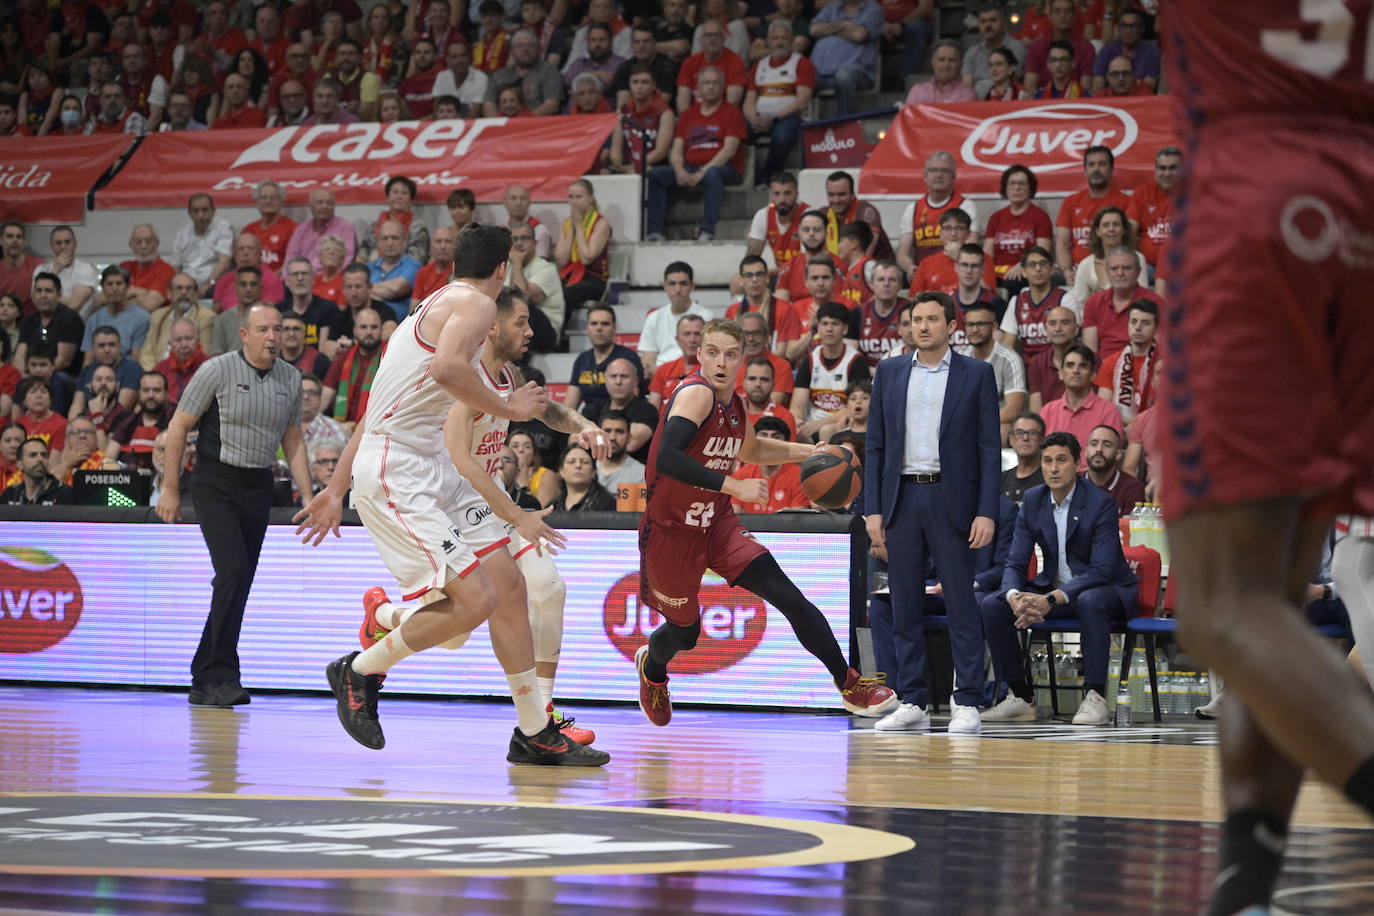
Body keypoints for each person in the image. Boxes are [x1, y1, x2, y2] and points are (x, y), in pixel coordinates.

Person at [293, 225, 610, 766]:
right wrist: (510, 413)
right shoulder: (475, 306)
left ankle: (534, 729)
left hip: (425, 468)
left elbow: (379, 406)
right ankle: (361, 669)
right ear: (503, 269)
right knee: (474, 605)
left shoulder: (432, 308)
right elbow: (446, 372)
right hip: (403, 470)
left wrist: (336, 484)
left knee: (511, 589)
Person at [633, 316, 896, 726]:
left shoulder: (735, 406)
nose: (722, 362)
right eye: (713, 352)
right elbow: (667, 456)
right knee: (686, 634)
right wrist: (733, 487)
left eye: (731, 354)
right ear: (699, 354)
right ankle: (653, 668)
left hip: (716, 524)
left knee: (787, 595)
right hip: (670, 531)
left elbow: (753, 450)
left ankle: (849, 683)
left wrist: (807, 453)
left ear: (742, 360)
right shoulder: (696, 395)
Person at [156, 304, 312, 707]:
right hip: (215, 482)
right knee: (233, 573)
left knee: (239, 582)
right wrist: (170, 489)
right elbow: (178, 427)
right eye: (263, 329)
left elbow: (293, 440)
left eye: (278, 329)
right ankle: (222, 672)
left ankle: (204, 673)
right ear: (244, 334)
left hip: (259, 484)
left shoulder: (291, 378)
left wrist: (310, 495)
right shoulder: (216, 369)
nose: (272, 336)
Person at [864, 291, 999, 733]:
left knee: (961, 603)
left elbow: (988, 449)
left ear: (950, 325)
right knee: (904, 606)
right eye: (916, 319)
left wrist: (986, 511)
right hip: (902, 496)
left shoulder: (976, 374)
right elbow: (877, 444)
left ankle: (968, 701)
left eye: (932, 319)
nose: (923, 326)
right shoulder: (888, 371)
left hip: (952, 498)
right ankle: (913, 699)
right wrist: (873, 510)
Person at [979, 430, 1138, 726]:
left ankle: (1095, 696)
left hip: (1107, 591)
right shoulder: (1033, 500)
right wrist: (1015, 597)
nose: (1053, 468)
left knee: (1090, 600)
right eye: (1047, 461)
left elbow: (1101, 571)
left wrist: (1050, 599)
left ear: (1078, 464)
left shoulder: (1100, 503)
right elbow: (1014, 562)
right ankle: (1020, 697)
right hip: (1053, 592)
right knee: (992, 604)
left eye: (1061, 460)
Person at [645, 66, 746, 243]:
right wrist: (679, 170)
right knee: (655, 175)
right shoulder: (688, 115)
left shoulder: (732, 113)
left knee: (713, 174)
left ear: (723, 86)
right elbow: (676, 150)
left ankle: (707, 230)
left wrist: (703, 171)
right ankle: (655, 232)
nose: (711, 86)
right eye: (706, 82)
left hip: (724, 169)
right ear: (698, 88)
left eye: (715, 82)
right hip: (690, 167)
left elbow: (729, 150)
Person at [742, 20, 814, 189]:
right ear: (768, 41)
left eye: (784, 38)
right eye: (775, 38)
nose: (779, 42)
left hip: (790, 117)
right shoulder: (759, 65)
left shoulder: (802, 63)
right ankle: (739, 177)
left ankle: (768, 177)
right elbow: (749, 100)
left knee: (782, 137)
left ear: (792, 40)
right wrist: (754, 119)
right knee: (737, 132)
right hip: (761, 118)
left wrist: (773, 119)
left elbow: (801, 101)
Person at [1054, 146, 1130, 283]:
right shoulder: (1071, 202)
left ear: (1111, 169)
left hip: (1113, 270)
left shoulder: (1125, 202)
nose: (1096, 169)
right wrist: (1067, 272)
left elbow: (1128, 241)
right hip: (1076, 271)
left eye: (1102, 164)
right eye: (1091, 164)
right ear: (1085, 170)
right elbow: (1062, 244)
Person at [1039, 345, 1121, 468]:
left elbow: (1109, 458)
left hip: (1093, 482)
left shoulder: (1108, 411)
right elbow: (1041, 455)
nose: (1075, 371)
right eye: (1070, 365)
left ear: (1093, 376)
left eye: (1083, 366)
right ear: (1061, 374)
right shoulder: (1047, 411)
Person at [956, 302, 1025, 444]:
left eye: (981, 324)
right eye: (970, 325)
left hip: (993, 419)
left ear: (994, 327)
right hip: (963, 419)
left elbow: (1013, 408)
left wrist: (976, 422)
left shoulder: (1009, 359)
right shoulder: (958, 357)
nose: (974, 330)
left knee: (1003, 429)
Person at [983, 166, 1052, 295]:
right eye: (1012, 183)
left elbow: (1043, 251)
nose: (1016, 188)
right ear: (1005, 188)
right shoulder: (996, 218)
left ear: (1030, 188)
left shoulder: (1040, 216)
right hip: (997, 272)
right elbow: (987, 253)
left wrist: (1022, 265)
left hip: (1024, 271)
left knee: (1013, 283)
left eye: (1022, 184)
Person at [564, 304, 644, 414]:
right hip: (589, 419)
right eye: (594, 323)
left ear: (614, 328)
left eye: (605, 324)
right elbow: (570, 406)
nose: (599, 328)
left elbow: (634, 401)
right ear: (587, 328)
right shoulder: (582, 359)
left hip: (618, 421)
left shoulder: (628, 358)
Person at [1081, 249, 1161, 358]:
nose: (1120, 273)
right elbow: (1090, 353)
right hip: (1103, 368)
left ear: (1138, 271)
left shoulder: (1155, 302)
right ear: (1107, 272)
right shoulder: (1093, 302)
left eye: (1127, 268)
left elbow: (1158, 349)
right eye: (1114, 269)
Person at [638, 262, 714, 374]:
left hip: (695, 375)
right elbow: (648, 360)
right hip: (661, 377)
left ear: (692, 286)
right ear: (664, 285)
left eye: (683, 283)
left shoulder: (707, 317)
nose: (677, 289)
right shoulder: (653, 318)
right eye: (672, 283)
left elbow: (710, 355)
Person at [808, 0, 882, 114]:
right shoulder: (832, 7)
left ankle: (846, 124)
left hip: (857, 71)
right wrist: (844, 24)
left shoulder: (873, 8)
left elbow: (859, 35)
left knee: (843, 76)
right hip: (821, 72)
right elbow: (814, 29)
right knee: (801, 78)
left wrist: (829, 30)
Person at [729, 254, 806, 359]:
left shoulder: (784, 308)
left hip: (773, 369)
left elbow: (782, 351)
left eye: (759, 274)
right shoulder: (733, 311)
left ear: (767, 278)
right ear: (741, 280)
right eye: (749, 275)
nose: (754, 279)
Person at [1094, 299, 1157, 426]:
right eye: (1133, 322)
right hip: (1118, 429)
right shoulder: (1111, 362)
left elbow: (1168, 410)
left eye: (1145, 323)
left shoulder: (1166, 362)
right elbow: (1104, 410)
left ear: (1156, 328)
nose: (1138, 327)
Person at [582, 356, 657, 463]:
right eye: (613, 376)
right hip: (595, 473)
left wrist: (593, 437)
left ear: (635, 381)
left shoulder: (648, 410)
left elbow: (631, 444)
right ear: (606, 381)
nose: (618, 381)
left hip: (634, 474)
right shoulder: (592, 409)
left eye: (624, 376)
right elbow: (576, 440)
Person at [728, 414, 808, 513]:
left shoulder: (799, 476)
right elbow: (734, 517)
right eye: (763, 436)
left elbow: (799, 521)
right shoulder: (741, 475)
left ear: (786, 443)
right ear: (755, 442)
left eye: (776, 437)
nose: (769, 441)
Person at [322, 306, 385, 427]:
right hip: (343, 427)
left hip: (377, 427)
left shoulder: (389, 357)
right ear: (354, 331)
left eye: (374, 327)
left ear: (381, 330)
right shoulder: (343, 359)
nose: (369, 332)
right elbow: (326, 394)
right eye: (363, 327)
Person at [555, 179, 612, 311]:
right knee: (547, 291)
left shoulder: (601, 223)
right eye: (571, 197)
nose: (574, 202)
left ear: (591, 199)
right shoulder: (567, 223)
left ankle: (558, 331)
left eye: (579, 197)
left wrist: (579, 227)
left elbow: (587, 258)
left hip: (594, 279)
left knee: (568, 294)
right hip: (570, 275)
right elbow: (562, 259)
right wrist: (572, 229)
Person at [609, 62, 675, 177]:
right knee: (603, 173)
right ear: (629, 85)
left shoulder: (665, 112)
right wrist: (618, 164)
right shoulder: (622, 112)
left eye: (645, 82)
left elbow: (661, 152)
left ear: (653, 86)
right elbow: (615, 148)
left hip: (654, 166)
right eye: (635, 82)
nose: (639, 86)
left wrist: (635, 167)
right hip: (628, 165)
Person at [1069, 207, 1147, 303]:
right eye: (1106, 225)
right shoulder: (1085, 264)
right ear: (1098, 231)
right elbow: (1079, 303)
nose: (1111, 229)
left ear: (1123, 230)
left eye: (1116, 224)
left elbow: (1143, 298)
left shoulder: (1138, 259)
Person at [482, 30, 564, 116]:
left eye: (530, 45)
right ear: (512, 51)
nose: (525, 49)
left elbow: (551, 105)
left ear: (539, 49)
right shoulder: (500, 75)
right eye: (520, 45)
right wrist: (498, 123)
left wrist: (523, 123)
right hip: (504, 124)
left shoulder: (550, 72)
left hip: (537, 125)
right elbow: (489, 105)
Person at [13, 272, 83, 374]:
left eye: (48, 291)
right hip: (32, 376)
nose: (43, 295)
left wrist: (38, 378)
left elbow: (63, 361)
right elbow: (19, 357)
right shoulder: (29, 320)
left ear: (59, 295)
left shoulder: (70, 319)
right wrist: (23, 378)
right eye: (39, 291)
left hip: (62, 378)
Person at [143, 273, 214, 372]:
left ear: (195, 294)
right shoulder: (158, 316)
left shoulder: (206, 318)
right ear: (169, 293)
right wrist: (156, 375)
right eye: (179, 288)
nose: (184, 292)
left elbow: (204, 354)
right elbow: (147, 353)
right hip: (158, 375)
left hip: (188, 374)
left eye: (189, 288)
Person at [1021, 0, 1094, 95]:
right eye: (1057, 11)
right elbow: (1029, 88)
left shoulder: (1086, 47)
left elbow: (1086, 88)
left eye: (1067, 11)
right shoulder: (1036, 47)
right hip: (1042, 103)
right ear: (1050, 16)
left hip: (1076, 101)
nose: (1062, 15)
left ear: (1074, 16)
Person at [1126, 147, 1182, 270]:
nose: (1167, 173)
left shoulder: (1194, 195)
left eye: (1173, 168)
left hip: (1181, 268)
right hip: (1147, 268)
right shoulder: (1142, 192)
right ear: (1156, 170)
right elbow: (1130, 228)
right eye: (1162, 168)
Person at [744, 172, 808, 279]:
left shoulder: (808, 216)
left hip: (803, 276)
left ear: (797, 194)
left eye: (787, 193)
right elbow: (750, 260)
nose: (782, 199)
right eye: (777, 194)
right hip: (780, 275)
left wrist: (767, 273)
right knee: (737, 282)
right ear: (770, 196)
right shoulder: (763, 215)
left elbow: (806, 264)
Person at [674, 19, 747, 111]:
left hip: (722, 118)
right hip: (694, 117)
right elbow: (682, 99)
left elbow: (733, 102)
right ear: (700, 39)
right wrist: (687, 120)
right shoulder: (689, 62)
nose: (712, 39)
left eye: (716, 35)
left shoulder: (735, 61)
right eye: (707, 35)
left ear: (724, 38)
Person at [171, 193, 234, 298]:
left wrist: (207, 285)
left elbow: (224, 263)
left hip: (212, 284)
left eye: (205, 210)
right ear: (189, 213)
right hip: (186, 285)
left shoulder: (223, 228)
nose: (200, 216)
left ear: (213, 211)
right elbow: (175, 268)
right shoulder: (182, 234)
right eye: (196, 211)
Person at [82, 267, 149, 364]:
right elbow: (88, 362)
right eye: (109, 284)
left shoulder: (142, 317)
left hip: (127, 373)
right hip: (98, 374)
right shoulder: (93, 320)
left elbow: (136, 360)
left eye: (119, 283)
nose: (114, 289)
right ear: (103, 287)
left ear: (128, 286)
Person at [773, 210, 842, 303]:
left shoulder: (840, 266)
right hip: (796, 317)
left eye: (817, 229)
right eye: (806, 229)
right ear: (799, 233)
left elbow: (842, 303)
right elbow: (780, 307)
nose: (811, 234)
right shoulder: (789, 267)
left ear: (826, 232)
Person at [822, 171, 892, 262]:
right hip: (839, 271)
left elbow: (865, 256)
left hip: (876, 270)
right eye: (831, 195)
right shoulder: (824, 214)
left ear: (852, 194)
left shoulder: (865, 211)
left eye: (841, 194)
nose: (836, 200)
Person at [107, 370, 171, 471]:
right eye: (146, 390)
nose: (151, 395)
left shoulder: (175, 420)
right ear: (139, 393)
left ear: (167, 394)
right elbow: (108, 459)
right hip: (128, 480)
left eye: (157, 390)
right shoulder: (126, 420)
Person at [286, 188, 358, 273]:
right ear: (310, 205)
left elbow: (346, 262)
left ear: (334, 205)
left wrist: (310, 273)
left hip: (331, 280)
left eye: (329, 203)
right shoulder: (301, 230)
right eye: (320, 202)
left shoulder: (345, 229)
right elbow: (290, 260)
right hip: (301, 280)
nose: (324, 206)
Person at [1088, 8, 1159, 95]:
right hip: (1110, 100)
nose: (1128, 30)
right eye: (1124, 26)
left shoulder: (1152, 52)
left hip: (1139, 101)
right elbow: (1097, 88)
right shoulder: (1106, 51)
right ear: (1118, 28)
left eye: (1133, 26)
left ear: (1142, 29)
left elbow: (1149, 87)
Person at [849, 260, 904, 368]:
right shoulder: (857, 314)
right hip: (866, 378)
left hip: (901, 374)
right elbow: (850, 358)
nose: (886, 284)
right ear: (871, 284)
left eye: (892, 280)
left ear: (900, 285)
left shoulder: (911, 312)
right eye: (880, 279)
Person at [961, 5, 1025, 98]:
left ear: (1003, 23)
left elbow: (1013, 81)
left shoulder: (1017, 48)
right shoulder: (972, 52)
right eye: (983, 21)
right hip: (975, 105)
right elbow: (966, 86)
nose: (987, 25)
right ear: (978, 25)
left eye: (993, 20)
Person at [277, 257, 338, 354]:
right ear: (287, 281)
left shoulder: (328, 309)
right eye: (295, 274)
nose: (300, 278)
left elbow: (326, 350)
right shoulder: (278, 310)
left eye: (304, 274)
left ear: (313, 279)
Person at [212, 234, 286, 312]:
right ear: (235, 254)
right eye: (241, 249)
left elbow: (268, 312)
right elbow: (215, 311)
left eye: (251, 248)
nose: (245, 253)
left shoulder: (271, 279)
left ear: (260, 253)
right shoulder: (225, 279)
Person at [37, 226, 98, 317]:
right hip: (48, 326)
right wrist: (55, 271)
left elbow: (74, 304)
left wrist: (47, 298)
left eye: (67, 242)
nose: (63, 247)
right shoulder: (41, 269)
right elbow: (36, 301)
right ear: (52, 246)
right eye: (58, 243)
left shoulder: (86, 269)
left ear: (75, 244)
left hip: (77, 326)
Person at [1026, 305, 1078, 413]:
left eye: (1065, 323)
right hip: (1048, 425)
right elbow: (1036, 411)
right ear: (1046, 330)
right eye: (1052, 324)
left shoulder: (1090, 361)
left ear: (1076, 329)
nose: (1058, 329)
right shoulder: (1037, 363)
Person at [1082, 424, 1143, 517]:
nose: (1099, 450)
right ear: (1086, 452)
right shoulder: (1072, 483)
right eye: (1094, 444)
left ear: (1118, 454)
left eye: (1107, 445)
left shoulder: (1132, 488)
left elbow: (1130, 528)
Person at [242, 181, 298, 277]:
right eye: (264, 197)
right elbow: (242, 261)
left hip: (282, 282)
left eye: (273, 198)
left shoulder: (293, 228)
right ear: (257, 202)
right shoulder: (248, 230)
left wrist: (272, 279)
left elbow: (296, 262)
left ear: (281, 201)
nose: (268, 201)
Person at [648, 313, 705, 406]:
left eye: (697, 334)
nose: (692, 340)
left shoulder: (713, 370)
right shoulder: (663, 370)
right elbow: (652, 409)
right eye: (687, 334)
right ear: (677, 340)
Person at [152, 317, 209, 404]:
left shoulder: (212, 367)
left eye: (189, 339)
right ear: (170, 344)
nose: (184, 344)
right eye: (178, 340)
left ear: (198, 340)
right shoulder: (160, 369)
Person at [0, 437, 71, 506]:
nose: (40, 459)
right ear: (20, 464)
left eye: (44, 455)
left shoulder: (65, 494)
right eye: (33, 455)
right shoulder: (10, 494)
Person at [211, 268, 266, 355]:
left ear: (261, 288)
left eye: (253, 284)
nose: (248, 289)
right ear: (235, 288)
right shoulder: (223, 319)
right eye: (243, 284)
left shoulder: (270, 317)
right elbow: (217, 355)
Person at [902, 40, 976, 105]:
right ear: (933, 63)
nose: (946, 64)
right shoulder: (917, 91)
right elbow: (909, 118)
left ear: (960, 65)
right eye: (941, 60)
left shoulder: (968, 94)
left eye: (952, 60)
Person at [431, 42, 490, 116]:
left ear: (470, 58)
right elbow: (437, 110)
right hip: (444, 123)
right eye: (454, 57)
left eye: (463, 56)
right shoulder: (442, 76)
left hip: (470, 124)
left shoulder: (480, 78)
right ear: (447, 61)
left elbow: (474, 114)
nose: (460, 60)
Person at [596, 409, 645, 490]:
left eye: (620, 432)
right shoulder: (586, 465)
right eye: (607, 431)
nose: (612, 437)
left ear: (629, 437)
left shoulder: (640, 473)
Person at [1002, 411, 1045, 505]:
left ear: (1042, 439)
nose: (1025, 438)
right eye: (1019, 432)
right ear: (1011, 439)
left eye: (1032, 433)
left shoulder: (1049, 479)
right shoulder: (1001, 479)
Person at [15, 377, 68, 451]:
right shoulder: (18, 424)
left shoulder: (61, 424)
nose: (39, 396)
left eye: (43, 392)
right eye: (33, 392)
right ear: (24, 400)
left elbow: (55, 460)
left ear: (50, 399)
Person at [0, 221, 43, 311]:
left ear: (23, 242)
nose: (15, 240)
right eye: (9, 236)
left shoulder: (39, 266)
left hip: (34, 322)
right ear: (1, 240)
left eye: (19, 237)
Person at [816, 378, 869, 446]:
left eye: (864, 398)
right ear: (847, 406)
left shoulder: (880, 436)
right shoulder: (837, 437)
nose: (858, 402)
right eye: (853, 398)